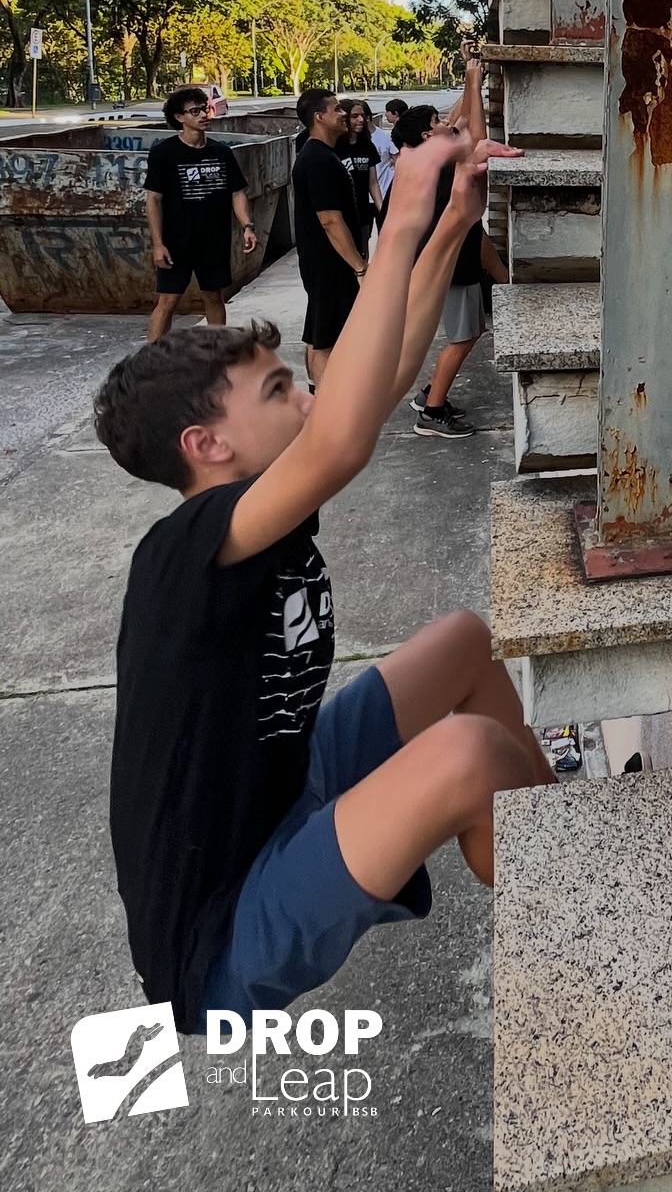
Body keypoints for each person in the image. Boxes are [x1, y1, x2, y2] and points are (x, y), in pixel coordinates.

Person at [94, 123, 548, 1038]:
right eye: (279, 392)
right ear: (206, 447)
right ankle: (572, 905)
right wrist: (404, 203)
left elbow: (384, 376)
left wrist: (450, 222)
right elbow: (341, 437)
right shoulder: (184, 552)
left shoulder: (265, 492)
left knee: (462, 640)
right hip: (224, 931)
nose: (309, 396)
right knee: (468, 757)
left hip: (284, 785)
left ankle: (548, 833)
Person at [387, 67, 509, 439]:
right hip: (453, 268)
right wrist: (473, 82)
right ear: (429, 135)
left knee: (471, 330)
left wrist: (473, 81)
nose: (448, 122)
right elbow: (475, 134)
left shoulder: (425, 159)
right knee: (463, 337)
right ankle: (432, 411)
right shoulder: (443, 163)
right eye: (439, 121)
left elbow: (461, 120)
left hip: (453, 264)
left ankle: (429, 394)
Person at [144, 87, 257, 344]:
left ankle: (218, 354)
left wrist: (247, 226)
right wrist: (158, 244)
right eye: (195, 111)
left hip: (213, 241)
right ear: (179, 117)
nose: (204, 115)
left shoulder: (221, 152)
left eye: (204, 109)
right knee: (168, 300)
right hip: (176, 241)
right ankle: (150, 360)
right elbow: (153, 200)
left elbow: (237, 193)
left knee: (214, 296)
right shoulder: (165, 153)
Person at [291, 88, 366, 387]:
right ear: (319, 117)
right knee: (328, 338)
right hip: (328, 263)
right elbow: (330, 221)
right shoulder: (319, 160)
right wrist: (359, 267)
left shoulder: (321, 155)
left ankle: (315, 394)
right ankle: (324, 407)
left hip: (321, 262)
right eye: (336, 109)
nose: (343, 113)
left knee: (318, 331)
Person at [336, 100, 383, 255]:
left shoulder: (368, 146)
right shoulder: (334, 147)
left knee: (362, 255)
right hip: (341, 216)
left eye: (362, 116)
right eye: (354, 116)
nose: (361, 120)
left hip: (363, 214)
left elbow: (373, 183)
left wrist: (382, 209)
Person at [374, 98, 406, 203]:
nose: (385, 114)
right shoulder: (408, 128)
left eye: (387, 111)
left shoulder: (397, 132)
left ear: (395, 113)